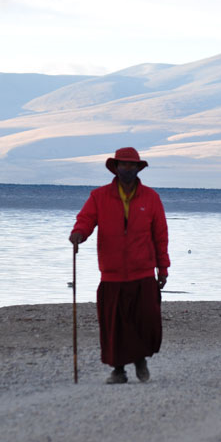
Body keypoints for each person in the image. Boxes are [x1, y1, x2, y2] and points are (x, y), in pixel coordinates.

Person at [69, 147, 170, 384]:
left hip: (143, 271)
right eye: (122, 165)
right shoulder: (99, 196)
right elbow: (86, 220)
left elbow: (160, 236)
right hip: (112, 273)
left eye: (131, 165)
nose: (127, 168)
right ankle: (118, 370)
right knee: (114, 326)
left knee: (144, 321)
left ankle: (140, 361)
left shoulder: (151, 198)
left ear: (138, 168)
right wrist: (78, 234)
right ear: (115, 168)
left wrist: (163, 268)